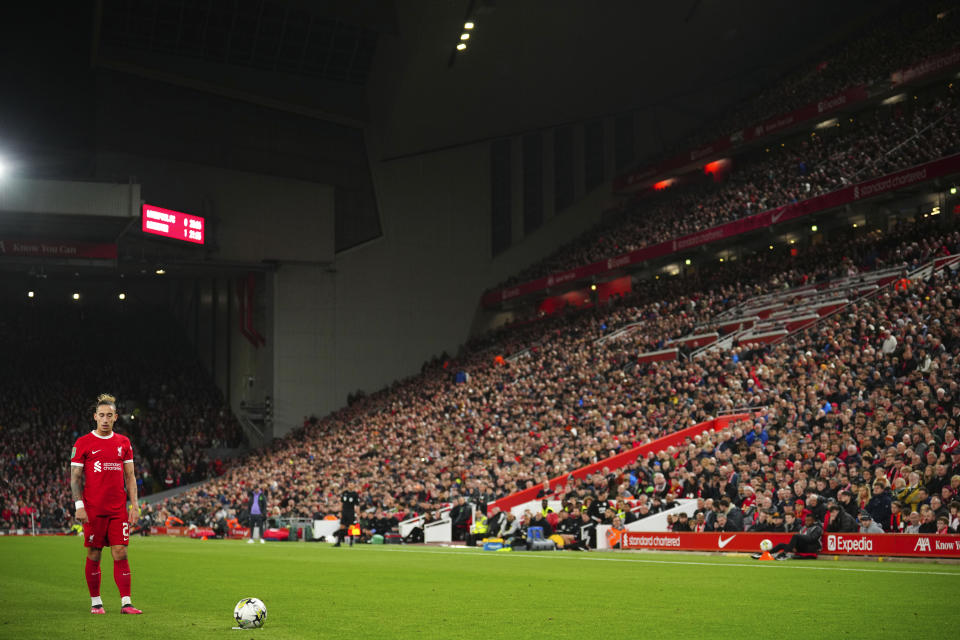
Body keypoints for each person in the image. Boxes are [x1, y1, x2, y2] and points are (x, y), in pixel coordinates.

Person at [70, 394, 142, 614]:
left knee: (120, 552)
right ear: (95, 417)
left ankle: (126, 603)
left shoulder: (123, 442)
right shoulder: (83, 442)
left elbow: (130, 477)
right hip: (92, 510)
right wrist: (78, 505)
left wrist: (135, 505)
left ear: (115, 417)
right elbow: (75, 478)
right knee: (94, 553)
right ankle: (96, 603)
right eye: (101, 415)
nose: (105, 419)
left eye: (109, 415)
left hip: (118, 508)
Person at [754, 513, 822, 560]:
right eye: (806, 521)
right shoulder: (803, 528)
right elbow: (801, 539)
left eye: (809, 521)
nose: (807, 522)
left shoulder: (817, 528)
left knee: (796, 536)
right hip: (802, 547)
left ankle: (784, 554)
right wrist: (795, 546)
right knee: (781, 545)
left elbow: (812, 539)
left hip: (811, 548)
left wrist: (799, 538)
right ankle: (765, 554)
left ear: (813, 521)